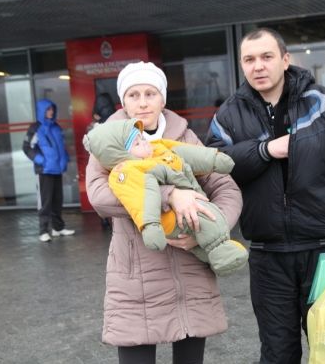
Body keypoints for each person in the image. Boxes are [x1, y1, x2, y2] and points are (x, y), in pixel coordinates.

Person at [205, 28, 325, 364]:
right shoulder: (228, 115)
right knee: (277, 353)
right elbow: (214, 166)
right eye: (249, 59)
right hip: (268, 256)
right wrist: (265, 150)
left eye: (266, 57)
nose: (258, 66)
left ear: (285, 60)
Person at [85, 61, 242, 364]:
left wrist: (209, 229)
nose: (142, 102)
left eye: (150, 93)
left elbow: (227, 189)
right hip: (136, 278)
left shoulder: (185, 137)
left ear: (163, 99)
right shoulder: (108, 140)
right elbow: (100, 197)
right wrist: (171, 194)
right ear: (123, 102)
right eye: (133, 95)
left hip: (190, 272)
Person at [83, 117, 248, 276]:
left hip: (191, 257)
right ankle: (221, 248)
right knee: (204, 217)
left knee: (203, 231)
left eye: (142, 138)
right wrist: (156, 216)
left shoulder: (159, 147)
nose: (143, 103)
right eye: (137, 143)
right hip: (171, 220)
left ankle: (217, 258)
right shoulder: (127, 170)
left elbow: (185, 152)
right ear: (120, 154)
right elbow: (140, 199)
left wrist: (213, 159)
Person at [22, 98, 74, 242]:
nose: (51, 112)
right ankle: (43, 231)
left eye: (52, 109)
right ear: (42, 111)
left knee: (57, 201)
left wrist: (64, 159)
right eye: (48, 109)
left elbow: (61, 146)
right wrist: (40, 160)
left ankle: (57, 228)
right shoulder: (35, 128)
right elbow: (27, 147)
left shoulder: (56, 127)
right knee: (45, 202)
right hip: (44, 170)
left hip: (57, 169)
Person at [87, 92, 117, 230]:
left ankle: (104, 219)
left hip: (101, 162)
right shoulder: (118, 120)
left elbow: (90, 146)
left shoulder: (95, 126)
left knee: (102, 191)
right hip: (117, 161)